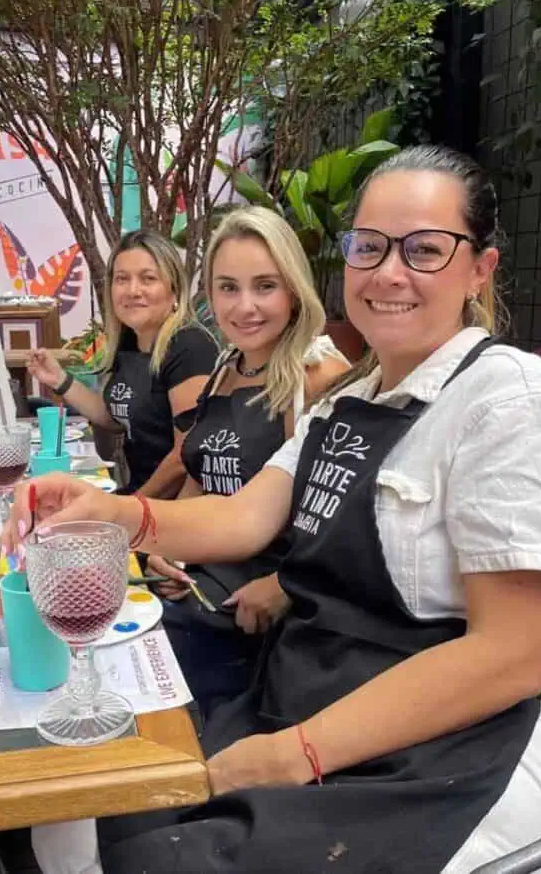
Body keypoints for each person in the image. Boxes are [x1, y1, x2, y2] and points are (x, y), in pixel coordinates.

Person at [7, 146, 541, 874]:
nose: (389, 272)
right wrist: (110, 514)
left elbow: (510, 657)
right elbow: (243, 517)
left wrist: (294, 754)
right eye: (370, 246)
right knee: (101, 803)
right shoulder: (347, 400)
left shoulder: (508, 397)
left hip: (438, 759)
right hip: (303, 699)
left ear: (480, 269)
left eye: (425, 250)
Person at [149, 206, 348, 714]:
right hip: (200, 592)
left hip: (264, 629)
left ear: (294, 289)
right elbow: (200, 477)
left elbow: (349, 520)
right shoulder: (225, 366)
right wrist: (170, 549)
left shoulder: (318, 376)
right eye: (228, 288)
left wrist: (284, 587)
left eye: (265, 286)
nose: (245, 307)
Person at [28, 229, 218, 497]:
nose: (133, 290)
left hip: (174, 508)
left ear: (174, 289)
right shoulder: (130, 343)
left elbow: (185, 456)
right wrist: (59, 379)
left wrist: (129, 508)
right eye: (122, 279)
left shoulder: (189, 347)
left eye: (148, 278)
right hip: (141, 497)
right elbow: (117, 417)